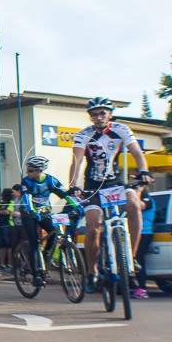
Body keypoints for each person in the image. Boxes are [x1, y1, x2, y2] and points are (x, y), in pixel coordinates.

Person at [68, 97, 153, 293]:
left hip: (114, 183)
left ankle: (130, 259)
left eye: (102, 113)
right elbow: (77, 161)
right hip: (93, 187)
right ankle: (92, 271)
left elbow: (138, 153)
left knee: (133, 202)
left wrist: (144, 171)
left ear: (110, 115)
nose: (98, 118)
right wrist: (73, 185)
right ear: (90, 117)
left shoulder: (121, 129)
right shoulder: (84, 135)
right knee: (93, 227)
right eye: (94, 115)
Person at [19, 155, 80, 287]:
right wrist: (31, 211)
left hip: (44, 213)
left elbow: (65, 195)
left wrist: (77, 206)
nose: (28, 173)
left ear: (39, 170)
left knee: (53, 233)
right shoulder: (26, 182)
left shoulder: (51, 181)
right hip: (29, 213)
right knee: (34, 241)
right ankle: (36, 275)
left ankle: (46, 257)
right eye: (28, 170)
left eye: (30, 170)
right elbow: (26, 198)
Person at [133, 183, 153, 299]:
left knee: (139, 258)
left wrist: (137, 192)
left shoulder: (148, 200)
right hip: (137, 233)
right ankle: (134, 285)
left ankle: (142, 288)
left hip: (144, 233)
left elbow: (139, 206)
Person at [0, 188, 16, 271]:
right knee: (0, 245)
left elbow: (8, 212)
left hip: (7, 225)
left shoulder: (11, 203)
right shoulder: (1, 203)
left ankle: (9, 264)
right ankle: (1, 263)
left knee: (8, 245)